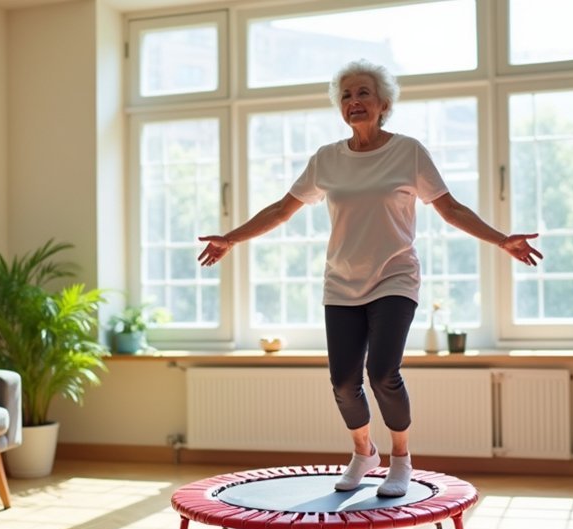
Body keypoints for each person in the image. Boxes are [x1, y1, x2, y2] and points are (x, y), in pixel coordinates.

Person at [197, 59, 542, 498]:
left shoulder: (408, 151)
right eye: (346, 95)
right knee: (343, 380)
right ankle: (364, 452)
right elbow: (281, 210)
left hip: (394, 278)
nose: (354, 102)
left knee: (382, 372)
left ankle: (401, 459)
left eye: (363, 93)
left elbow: (450, 208)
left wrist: (500, 240)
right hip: (341, 282)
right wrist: (231, 238)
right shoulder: (327, 159)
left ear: (383, 104)